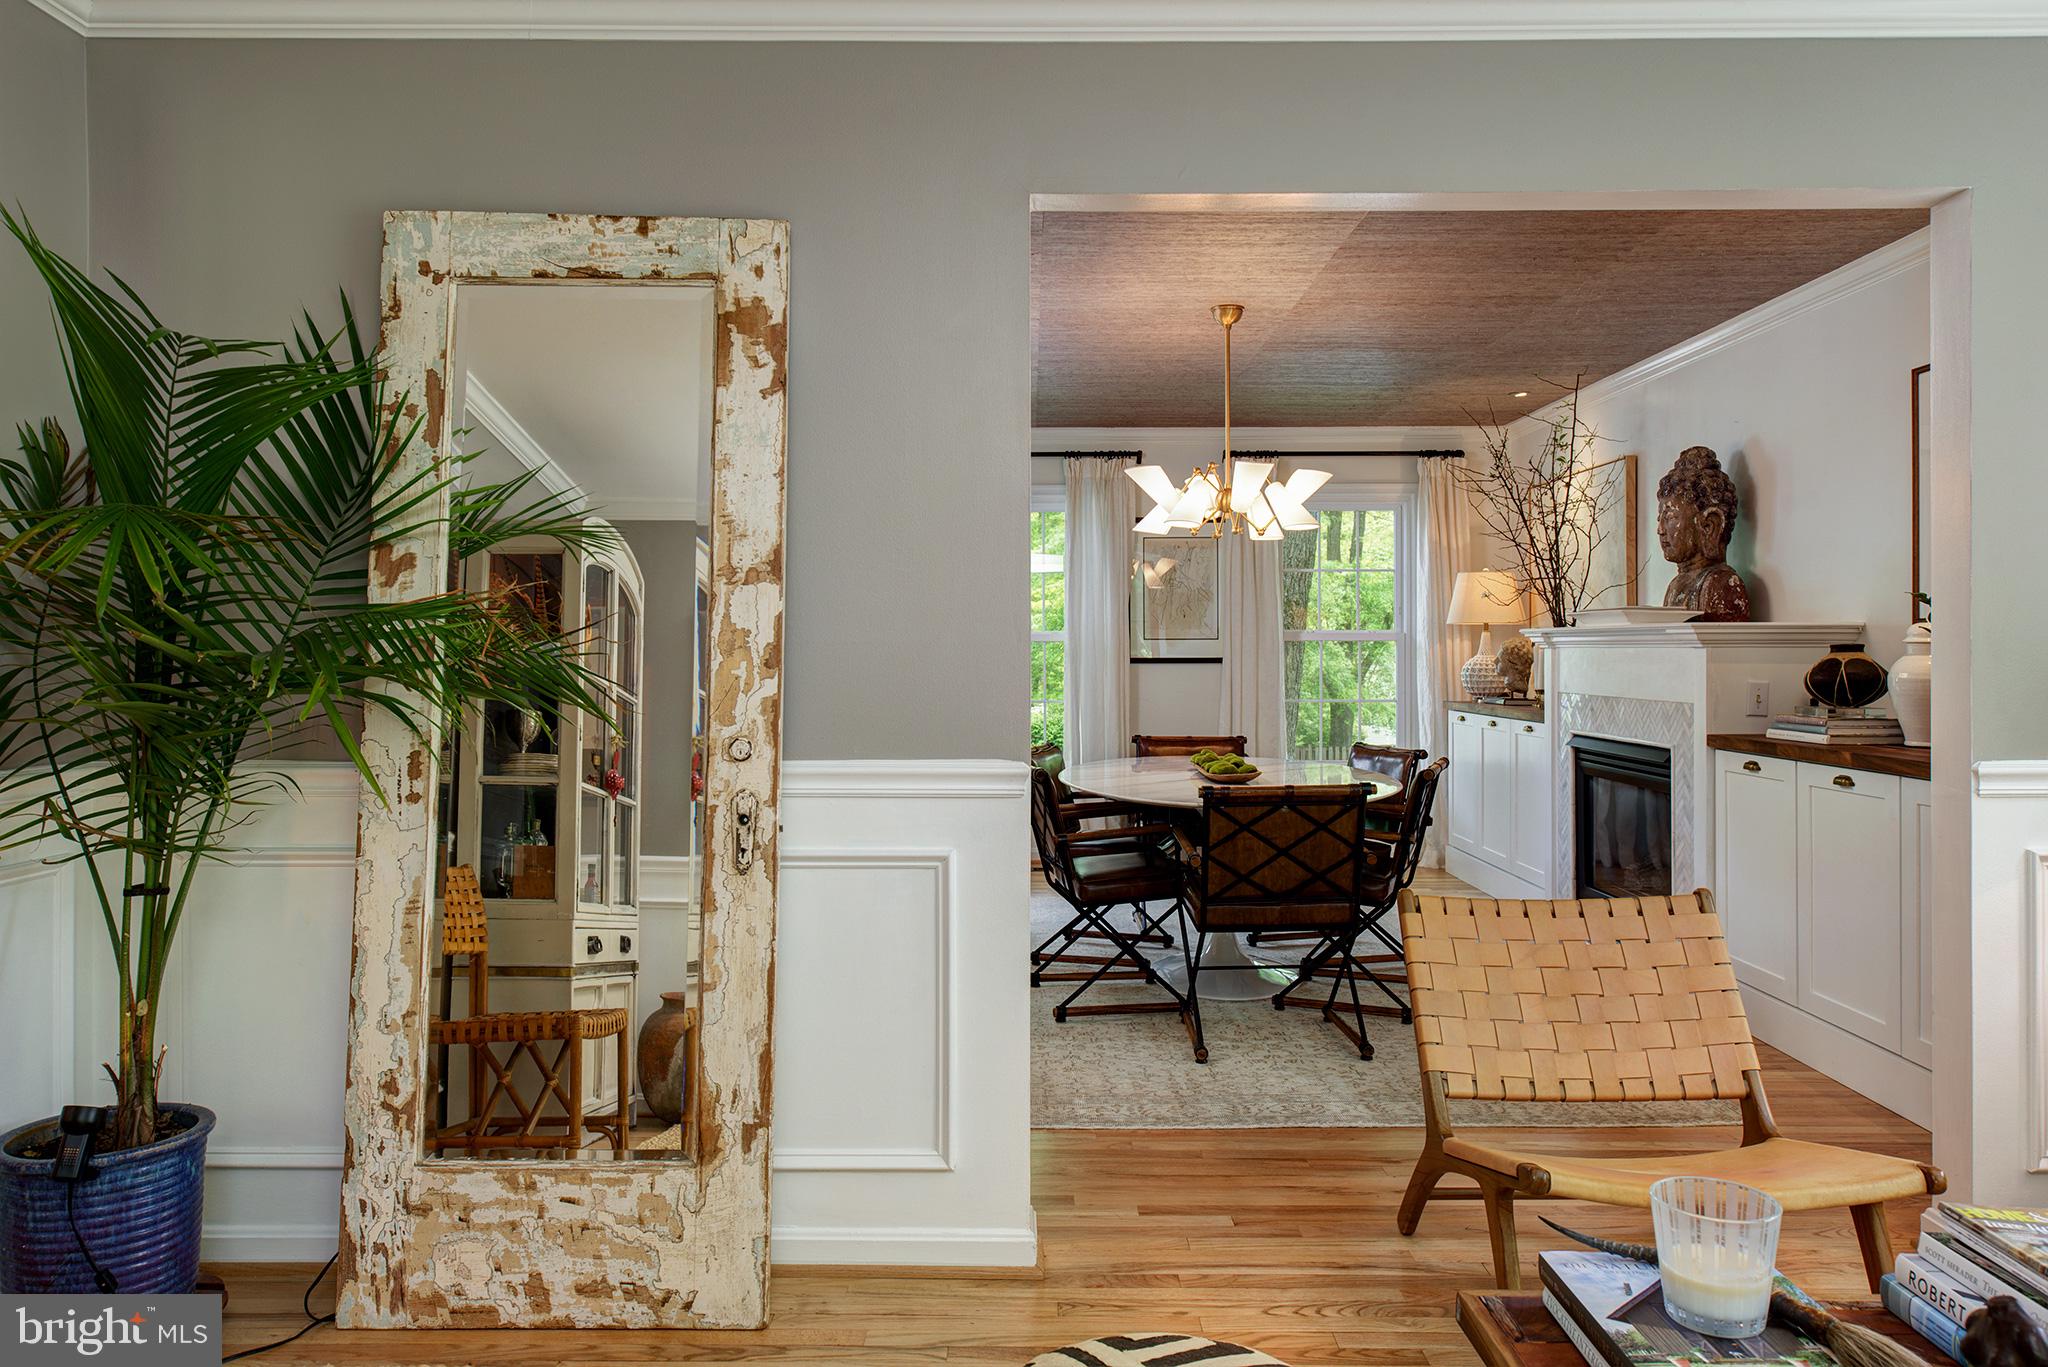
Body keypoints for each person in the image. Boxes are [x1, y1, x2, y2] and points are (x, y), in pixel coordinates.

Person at [1656, 445, 1752, 622]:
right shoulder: (1675, 585)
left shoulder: (1720, 584)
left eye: (1670, 518)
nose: (1660, 530)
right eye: (1659, 519)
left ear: (1709, 525)